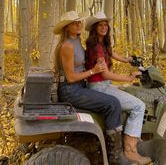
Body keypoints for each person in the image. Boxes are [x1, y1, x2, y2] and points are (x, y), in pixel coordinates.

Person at [53, 11, 134, 165]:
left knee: (112, 97)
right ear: (66, 27)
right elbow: (70, 77)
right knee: (113, 103)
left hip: (79, 86)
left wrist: (124, 60)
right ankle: (116, 157)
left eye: (79, 22)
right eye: (74, 23)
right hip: (71, 90)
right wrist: (93, 71)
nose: (78, 24)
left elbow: (100, 54)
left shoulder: (77, 41)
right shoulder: (66, 46)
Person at [85, 11, 152, 165]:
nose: (103, 27)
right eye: (100, 25)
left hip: (101, 85)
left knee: (127, 92)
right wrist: (128, 78)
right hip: (99, 87)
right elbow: (106, 74)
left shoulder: (102, 44)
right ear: (95, 28)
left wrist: (127, 59)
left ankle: (130, 137)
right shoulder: (96, 47)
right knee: (138, 106)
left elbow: (112, 53)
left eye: (105, 25)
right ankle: (130, 151)